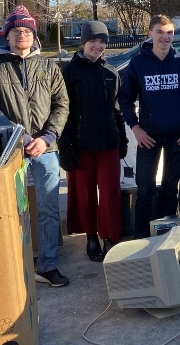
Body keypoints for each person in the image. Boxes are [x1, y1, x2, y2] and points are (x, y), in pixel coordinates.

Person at [0, 5, 70, 287]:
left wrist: (47, 137)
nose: (22, 35)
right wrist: (21, 137)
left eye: (27, 31)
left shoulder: (49, 67)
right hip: (9, 150)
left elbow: (61, 104)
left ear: (33, 35)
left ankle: (47, 266)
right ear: (7, 36)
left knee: (49, 208)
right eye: (17, 31)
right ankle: (10, 265)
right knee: (7, 209)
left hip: (46, 149)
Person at [117, 14, 180, 238]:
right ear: (150, 34)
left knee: (170, 189)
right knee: (144, 191)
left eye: (170, 32)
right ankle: (141, 239)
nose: (165, 37)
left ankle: (166, 237)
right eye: (160, 32)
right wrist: (135, 127)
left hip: (178, 137)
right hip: (148, 137)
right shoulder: (138, 63)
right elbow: (125, 98)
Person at [58, 21, 128, 262]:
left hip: (108, 143)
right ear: (84, 42)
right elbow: (63, 110)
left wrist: (123, 138)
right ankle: (91, 236)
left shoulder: (111, 71)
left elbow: (117, 109)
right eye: (93, 41)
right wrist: (64, 144)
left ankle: (110, 237)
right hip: (81, 144)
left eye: (102, 42)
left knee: (110, 193)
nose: (98, 46)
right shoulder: (70, 71)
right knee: (85, 193)